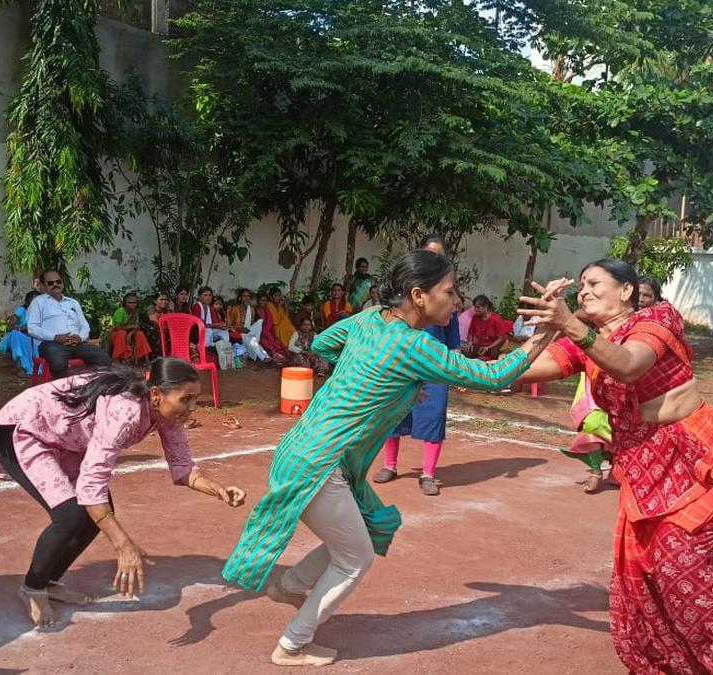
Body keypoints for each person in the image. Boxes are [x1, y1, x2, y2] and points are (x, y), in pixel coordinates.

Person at [223, 250, 553, 666]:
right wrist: (550, 331)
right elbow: (493, 376)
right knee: (354, 559)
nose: (457, 302)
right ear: (418, 295)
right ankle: (293, 644)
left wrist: (370, 373)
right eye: (449, 292)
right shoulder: (414, 345)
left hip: (304, 451)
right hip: (322, 463)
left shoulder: (370, 319)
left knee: (367, 528)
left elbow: (325, 342)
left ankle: (291, 585)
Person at [517, 259, 713, 675]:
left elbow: (629, 365)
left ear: (625, 291)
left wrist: (570, 323)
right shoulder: (582, 340)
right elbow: (517, 371)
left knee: (679, 559)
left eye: (593, 283)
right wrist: (547, 326)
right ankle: (681, 663)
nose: (584, 291)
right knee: (646, 572)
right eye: (580, 286)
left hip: (691, 455)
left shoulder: (656, 318)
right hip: (641, 467)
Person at [0, 360, 245, 627]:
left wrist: (217, 489)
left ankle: (50, 581)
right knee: (70, 515)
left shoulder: (167, 414)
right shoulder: (124, 412)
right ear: (156, 395)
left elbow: (183, 467)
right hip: (24, 429)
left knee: (94, 515)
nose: (192, 408)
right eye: (186, 399)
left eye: (195, 399)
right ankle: (32, 588)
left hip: (64, 438)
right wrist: (122, 544)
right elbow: (92, 488)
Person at [373, 234, 462, 497]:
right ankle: (390, 466)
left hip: (434, 370)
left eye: (440, 255)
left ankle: (428, 474)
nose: (436, 259)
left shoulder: (448, 299)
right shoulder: (405, 298)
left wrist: (457, 371)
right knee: (394, 417)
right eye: (430, 254)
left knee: (433, 418)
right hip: (403, 366)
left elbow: (453, 340)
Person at [27, 270, 111, 378]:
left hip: (76, 343)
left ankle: (89, 387)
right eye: (51, 283)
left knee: (103, 358)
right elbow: (32, 328)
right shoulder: (38, 302)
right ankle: (62, 390)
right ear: (43, 286)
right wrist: (56, 337)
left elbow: (85, 326)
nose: (55, 285)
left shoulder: (73, 302)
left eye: (58, 281)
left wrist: (80, 338)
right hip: (51, 344)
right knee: (58, 363)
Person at [0, 290, 41, 375]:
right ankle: (19, 368)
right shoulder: (21, 310)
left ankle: (32, 366)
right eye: (33, 301)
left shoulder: (42, 312)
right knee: (16, 336)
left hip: (32, 338)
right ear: (27, 302)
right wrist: (22, 328)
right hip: (16, 337)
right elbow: (9, 328)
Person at [108, 292, 153, 365]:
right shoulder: (121, 311)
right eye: (130, 303)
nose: (133, 305)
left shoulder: (135, 312)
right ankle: (117, 359)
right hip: (116, 334)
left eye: (134, 303)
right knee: (122, 333)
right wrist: (131, 327)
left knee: (140, 334)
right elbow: (118, 327)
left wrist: (130, 334)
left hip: (129, 333)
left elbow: (137, 326)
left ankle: (145, 359)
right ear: (125, 303)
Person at [463, 294, 513, 360]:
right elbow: (470, 333)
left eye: (478, 307)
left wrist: (488, 347)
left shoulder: (496, 319)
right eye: (474, 307)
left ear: (486, 307)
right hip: (479, 346)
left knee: (493, 353)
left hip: (492, 347)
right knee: (465, 350)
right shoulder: (475, 318)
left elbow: (501, 338)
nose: (475, 310)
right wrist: (470, 342)